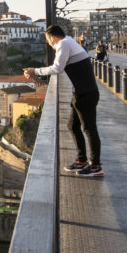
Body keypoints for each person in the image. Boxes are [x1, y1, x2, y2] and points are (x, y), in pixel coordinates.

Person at [24, 25, 103, 177]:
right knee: (73, 126)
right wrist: (39, 75)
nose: (49, 44)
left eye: (48, 40)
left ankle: (96, 166)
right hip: (82, 93)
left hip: (86, 94)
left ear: (52, 37)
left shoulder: (63, 44)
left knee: (89, 129)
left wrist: (35, 70)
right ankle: (81, 160)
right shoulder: (69, 41)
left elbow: (57, 68)